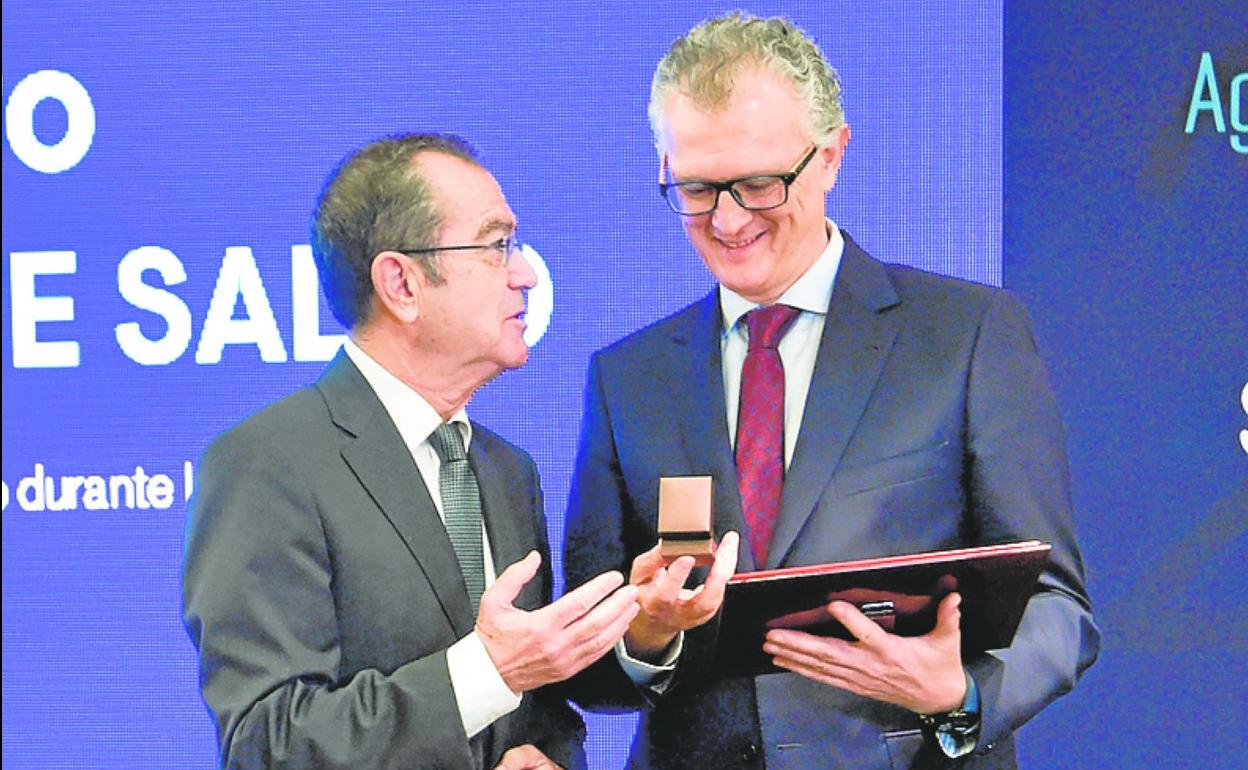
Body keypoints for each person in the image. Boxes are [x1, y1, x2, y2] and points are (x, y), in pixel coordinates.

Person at [563, 12, 1099, 769]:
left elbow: (1059, 608)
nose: (726, 218)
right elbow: (589, 662)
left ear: (832, 156)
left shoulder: (969, 334)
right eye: (694, 188)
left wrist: (962, 693)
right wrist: (647, 636)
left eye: (757, 183)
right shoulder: (628, 377)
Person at [183, 133, 641, 770]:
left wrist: (551, 758)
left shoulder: (509, 472)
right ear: (401, 283)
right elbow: (271, 741)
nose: (526, 272)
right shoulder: (267, 464)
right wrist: (485, 672)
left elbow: (540, 707)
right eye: (495, 245)